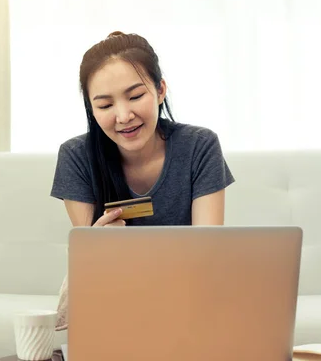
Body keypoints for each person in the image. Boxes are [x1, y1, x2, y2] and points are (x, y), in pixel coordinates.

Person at [50, 31, 235, 331]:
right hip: (114, 301)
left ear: (160, 90)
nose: (124, 116)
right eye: (105, 105)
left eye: (135, 96)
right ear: (91, 109)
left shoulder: (199, 146)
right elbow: (101, 268)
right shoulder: (76, 157)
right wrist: (96, 246)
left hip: (191, 302)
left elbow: (208, 253)